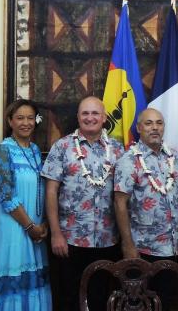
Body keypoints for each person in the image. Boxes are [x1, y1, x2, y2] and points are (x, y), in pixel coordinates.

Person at [41, 96, 124, 311]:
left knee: (101, 298)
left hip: (107, 240)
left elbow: (124, 195)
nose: (90, 118)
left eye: (95, 113)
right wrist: (56, 233)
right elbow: (50, 191)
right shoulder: (62, 146)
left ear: (104, 117)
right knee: (68, 297)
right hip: (70, 240)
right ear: (78, 117)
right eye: (85, 113)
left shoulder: (117, 149)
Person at [0, 99, 51, 310]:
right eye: (20, 118)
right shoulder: (3, 151)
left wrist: (42, 225)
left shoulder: (34, 150)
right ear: (10, 121)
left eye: (30, 118)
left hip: (34, 228)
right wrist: (30, 227)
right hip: (11, 229)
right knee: (11, 277)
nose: (26, 123)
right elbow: (4, 194)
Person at [113, 108, 178, 307]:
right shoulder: (129, 161)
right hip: (143, 249)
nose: (155, 128)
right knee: (142, 303)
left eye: (159, 123)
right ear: (139, 128)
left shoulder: (174, 160)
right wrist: (128, 245)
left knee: (169, 300)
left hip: (173, 247)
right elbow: (119, 203)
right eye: (149, 123)